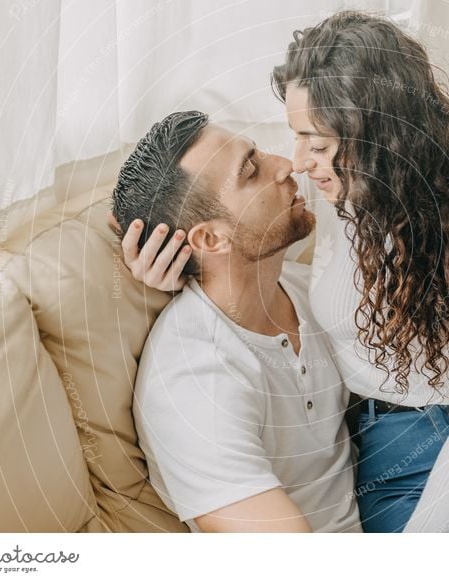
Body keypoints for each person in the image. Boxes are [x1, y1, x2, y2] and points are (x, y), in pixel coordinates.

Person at [119, 11, 449, 533]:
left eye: (316, 141)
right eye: (294, 136)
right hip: (390, 453)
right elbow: (221, 222)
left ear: (383, 138)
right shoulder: (322, 195)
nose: (295, 163)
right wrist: (164, 263)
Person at [115, 111, 360, 532]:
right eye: (252, 170)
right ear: (211, 239)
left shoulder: (307, 287)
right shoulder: (194, 380)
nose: (286, 165)